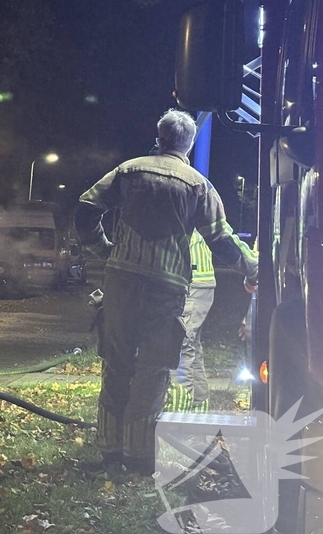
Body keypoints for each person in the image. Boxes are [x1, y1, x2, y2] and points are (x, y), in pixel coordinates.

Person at [75, 109, 258, 477]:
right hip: (166, 288)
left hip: (121, 282)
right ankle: (140, 457)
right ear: (188, 145)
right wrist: (253, 268)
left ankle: (110, 451)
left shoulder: (129, 170)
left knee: (116, 364)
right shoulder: (198, 185)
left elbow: (86, 208)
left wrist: (104, 249)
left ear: (159, 138)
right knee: (153, 370)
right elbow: (221, 240)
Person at [166, 231, 216, 413]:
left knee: (178, 348)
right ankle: (198, 413)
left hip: (190, 280)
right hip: (201, 279)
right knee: (192, 348)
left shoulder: (183, 208)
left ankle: (178, 416)